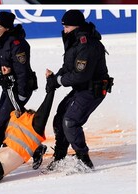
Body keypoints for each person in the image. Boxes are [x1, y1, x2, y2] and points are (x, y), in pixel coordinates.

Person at [45, 9, 112, 170]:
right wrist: (55, 79)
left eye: (67, 27)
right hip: (81, 88)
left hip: (92, 90)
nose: (64, 30)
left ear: (76, 26)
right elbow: (68, 67)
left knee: (70, 121)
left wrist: (60, 80)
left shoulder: (87, 44)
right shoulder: (74, 42)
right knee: (60, 116)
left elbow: (80, 75)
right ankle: (60, 156)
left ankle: (84, 160)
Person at [0, 11, 37, 157]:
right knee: (6, 121)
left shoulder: (17, 45)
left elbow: (22, 73)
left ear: (7, 28)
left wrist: (20, 96)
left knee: (1, 123)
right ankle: (37, 150)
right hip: (7, 88)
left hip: (20, 88)